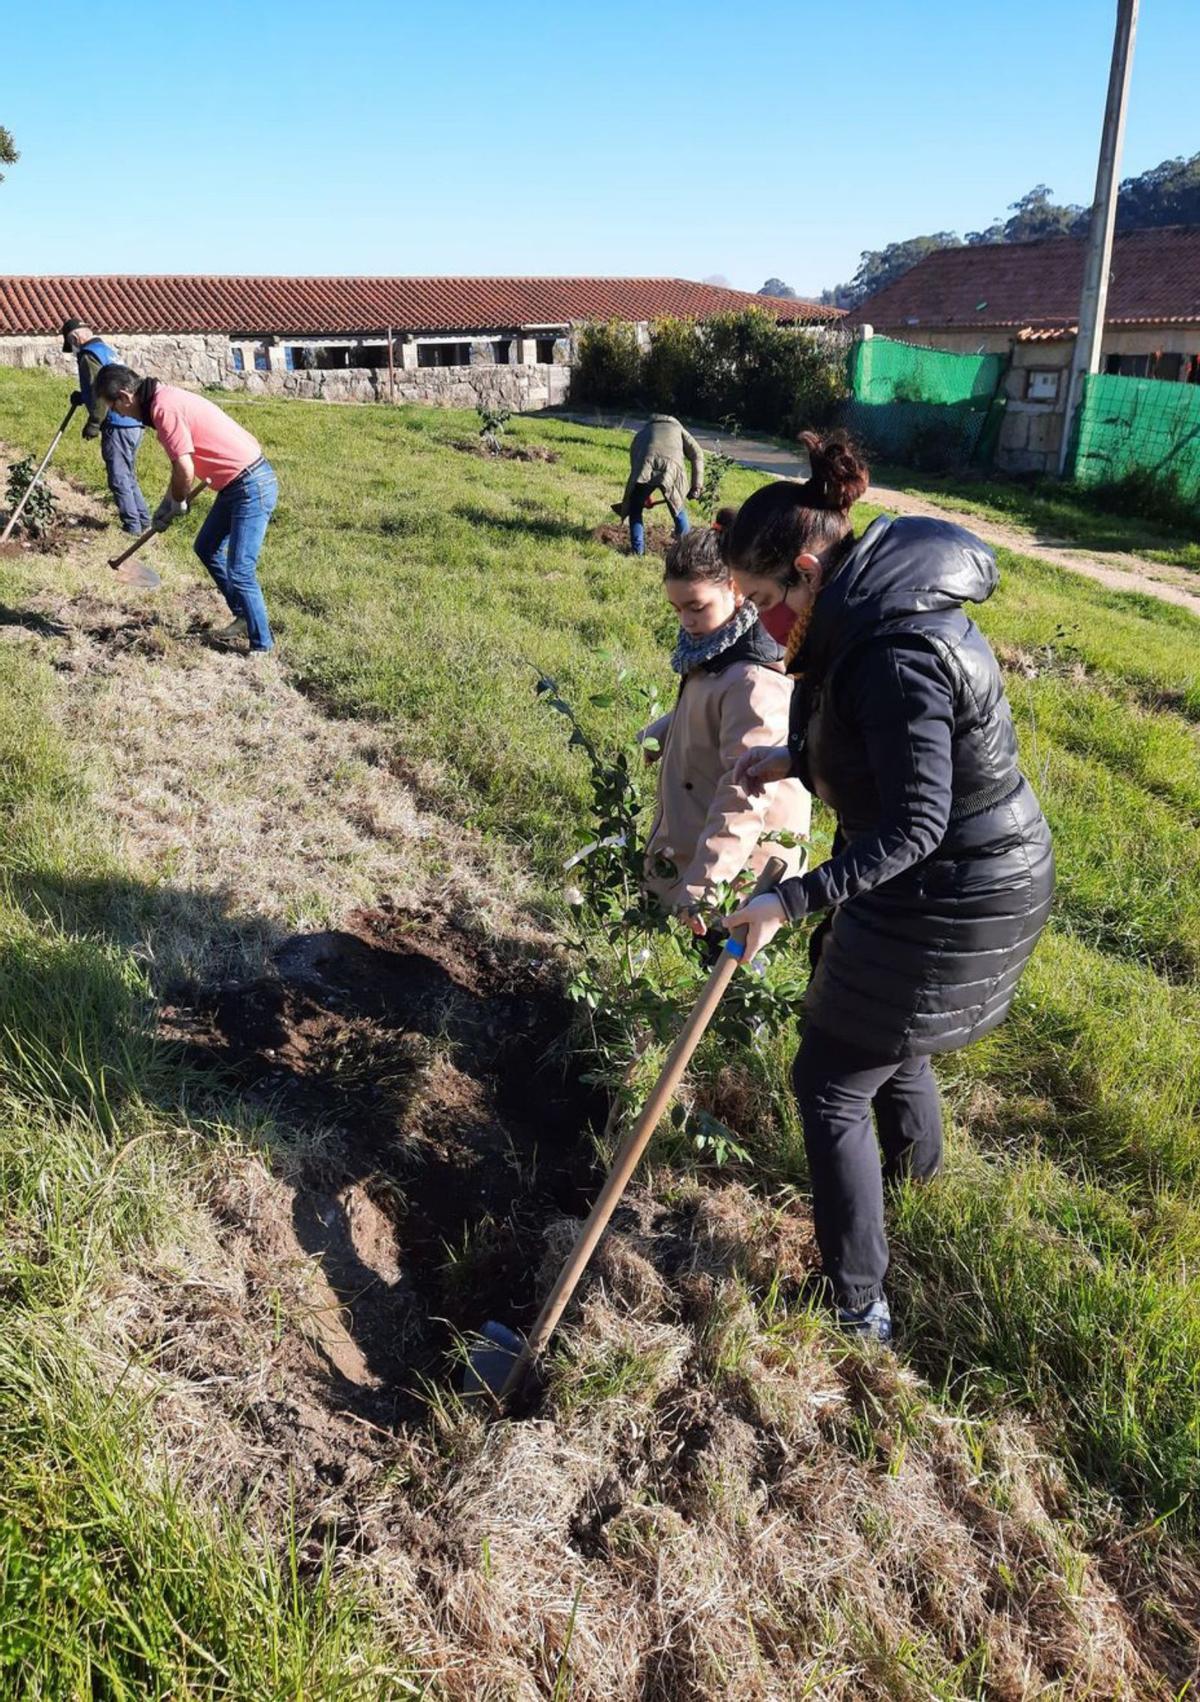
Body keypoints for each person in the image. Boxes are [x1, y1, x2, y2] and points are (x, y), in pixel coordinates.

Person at [721, 432, 1055, 1342]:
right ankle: (912, 1196)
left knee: (829, 1080)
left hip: (961, 887)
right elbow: (888, 756)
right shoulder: (867, 613)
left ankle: (858, 1309)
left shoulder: (892, 650)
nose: (764, 624)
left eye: (763, 602)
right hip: (944, 876)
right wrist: (791, 755)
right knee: (889, 1041)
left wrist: (789, 901)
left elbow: (916, 823)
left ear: (802, 569)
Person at [640, 525, 808, 925]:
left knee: (722, 974)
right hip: (703, 848)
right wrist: (668, 730)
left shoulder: (754, 679)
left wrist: (704, 888)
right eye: (677, 609)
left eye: (696, 607)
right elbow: (711, 706)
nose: (686, 621)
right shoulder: (716, 649)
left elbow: (745, 793)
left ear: (735, 588)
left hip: (740, 878)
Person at [94, 365, 277, 654]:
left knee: (240, 569)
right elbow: (180, 468)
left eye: (114, 407)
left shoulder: (164, 409)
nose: (117, 415)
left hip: (251, 484)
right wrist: (166, 505)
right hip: (234, 484)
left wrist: (178, 502)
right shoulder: (164, 399)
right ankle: (244, 615)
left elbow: (184, 467)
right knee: (206, 547)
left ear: (126, 396)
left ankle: (262, 645)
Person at [61, 318, 150, 536]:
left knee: (118, 476)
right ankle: (144, 521)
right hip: (134, 421)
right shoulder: (106, 351)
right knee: (127, 474)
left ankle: (132, 528)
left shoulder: (89, 355)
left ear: (74, 338)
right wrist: (82, 396)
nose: (73, 350)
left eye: (71, 345)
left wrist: (94, 423)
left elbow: (99, 393)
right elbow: (108, 386)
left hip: (117, 422)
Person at [613, 414, 704, 556]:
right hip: (672, 470)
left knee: (635, 509)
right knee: (678, 509)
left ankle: (637, 552)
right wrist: (696, 486)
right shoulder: (678, 428)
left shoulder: (642, 434)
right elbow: (697, 454)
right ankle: (686, 552)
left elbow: (637, 467)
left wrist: (644, 497)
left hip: (645, 466)